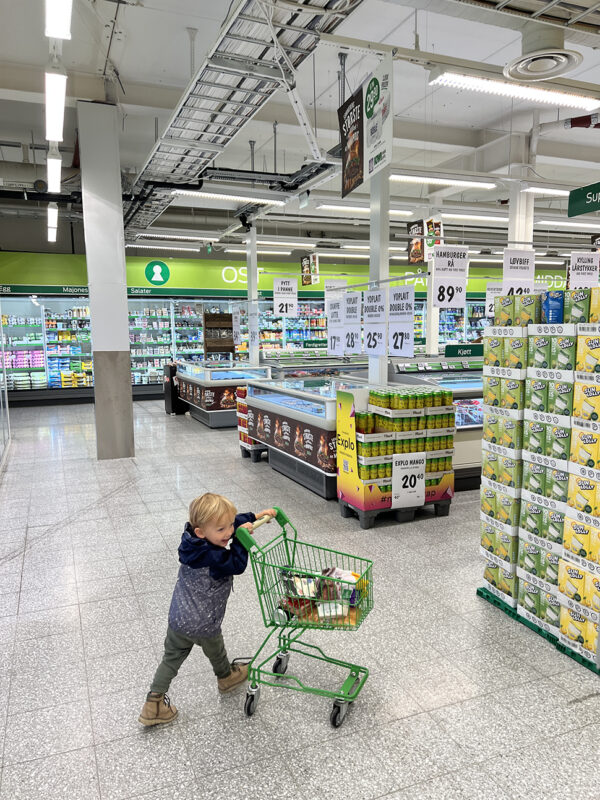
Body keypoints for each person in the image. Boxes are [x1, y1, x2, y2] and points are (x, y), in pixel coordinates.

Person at [138, 493, 276, 727]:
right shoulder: (214, 557)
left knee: (171, 659)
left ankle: (153, 703)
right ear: (202, 531)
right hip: (204, 623)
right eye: (222, 530)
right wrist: (241, 541)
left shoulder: (191, 541)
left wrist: (254, 515)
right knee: (216, 651)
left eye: (232, 526)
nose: (229, 532)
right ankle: (226, 678)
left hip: (178, 618)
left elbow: (226, 521)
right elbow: (237, 564)